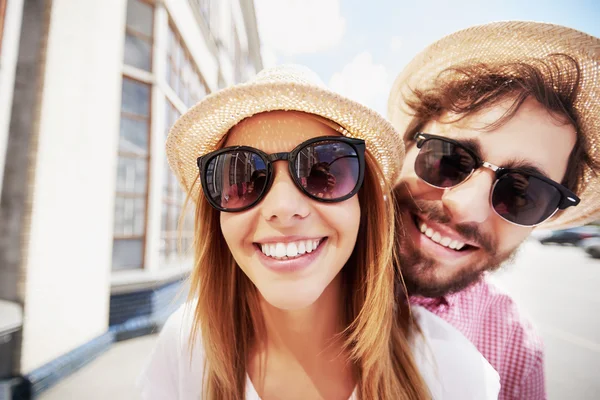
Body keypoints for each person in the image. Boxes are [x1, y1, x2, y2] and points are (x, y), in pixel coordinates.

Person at [137, 65, 500, 399]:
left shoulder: (458, 375)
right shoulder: (182, 347)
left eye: (323, 171)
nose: (282, 206)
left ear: (364, 203)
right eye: (242, 178)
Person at [387, 21, 600, 400]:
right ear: (405, 149)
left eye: (523, 194)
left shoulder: (515, 348)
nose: (466, 209)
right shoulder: (291, 267)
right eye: (448, 159)